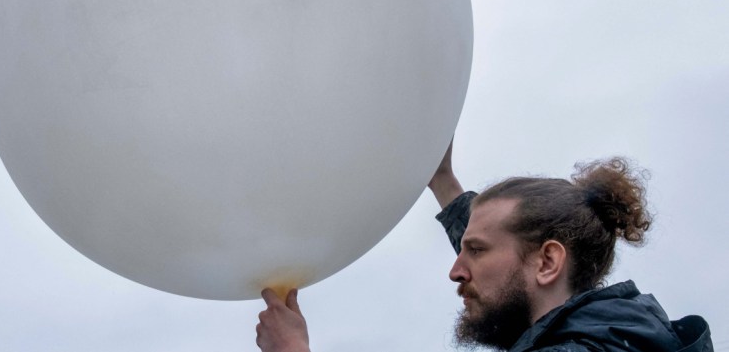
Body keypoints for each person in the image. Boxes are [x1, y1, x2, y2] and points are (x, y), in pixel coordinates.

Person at [255, 143, 713, 351]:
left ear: (549, 261)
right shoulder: (616, 336)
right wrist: (443, 183)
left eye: (474, 250)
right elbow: (510, 264)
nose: (455, 271)